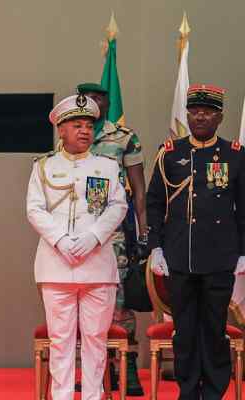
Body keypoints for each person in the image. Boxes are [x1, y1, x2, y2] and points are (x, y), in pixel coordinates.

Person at [146, 84, 245, 400]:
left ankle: (214, 392)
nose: (200, 117)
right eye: (194, 111)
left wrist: (243, 252)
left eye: (207, 112)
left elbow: (243, 208)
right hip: (180, 256)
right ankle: (188, 391)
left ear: (219, 117)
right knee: (184, 332)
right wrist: (156, 247)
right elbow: (154, 203)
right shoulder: (170, 153)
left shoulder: (235, 155)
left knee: (214, 330)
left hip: (219, 257)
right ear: (187, 114)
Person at [27, 94, 128, 400]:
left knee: (96, 341)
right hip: (56, 265)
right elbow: (34, 209)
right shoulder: (44, 166)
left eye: (88, 125)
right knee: (61, 341)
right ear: (61, 129)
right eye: (76, 125)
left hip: (97, 266)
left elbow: (117, 206)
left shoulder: (106, 167)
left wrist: (93, 237)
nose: (84, 130)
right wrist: (60, 239)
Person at [77, 82, 147, 395]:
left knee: (119, 303)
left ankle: (127, 365)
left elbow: (140, 191)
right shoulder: (74, 135)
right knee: (85, 304)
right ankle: (95, 369)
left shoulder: (124, 138)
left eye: (97, 97)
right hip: (79, 234)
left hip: (115, 235)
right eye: (86, 98)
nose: (92, 102)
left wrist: (144, 232)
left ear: (106, 102)